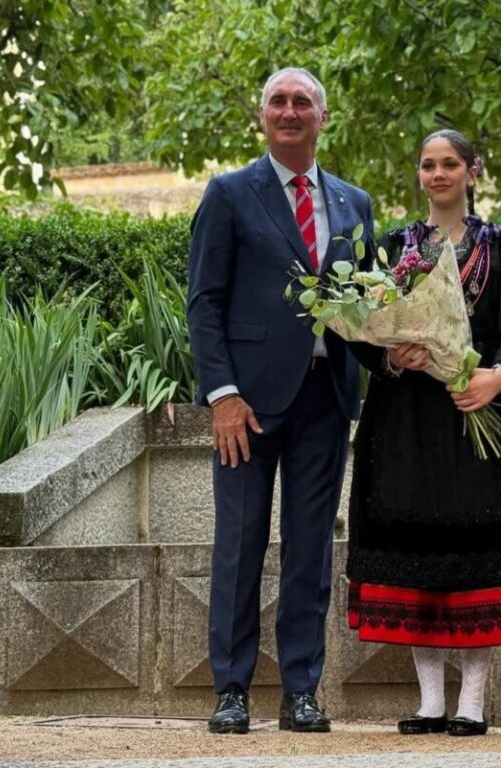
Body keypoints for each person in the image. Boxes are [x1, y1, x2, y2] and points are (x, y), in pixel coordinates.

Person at [345, 129, 501, 737]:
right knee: (414, 555)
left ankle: (473, 703)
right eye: (428, 165)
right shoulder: (392, 248)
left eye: (450, 164)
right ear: (419, 175)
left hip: (474, 414)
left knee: (477, 556)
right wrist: (392, 356)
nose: (438, 174)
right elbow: (359, 332)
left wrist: (498, 376)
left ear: (471, 170)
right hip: (405, 426)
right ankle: (430, 700)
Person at [187, 67, 374, 734]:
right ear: (263, 116)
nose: (289, 111)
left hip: (325, 399)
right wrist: (224, 395)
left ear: (323, 117)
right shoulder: (230, 194)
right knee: (238, 545)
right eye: (278, 101)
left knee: (309, 550)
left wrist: (408, 349)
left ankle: (301, 689)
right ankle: (231, 688)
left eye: (302, 102)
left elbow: (366, 308)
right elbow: (204, 304)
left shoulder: (356, 204)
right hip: (248, 405)